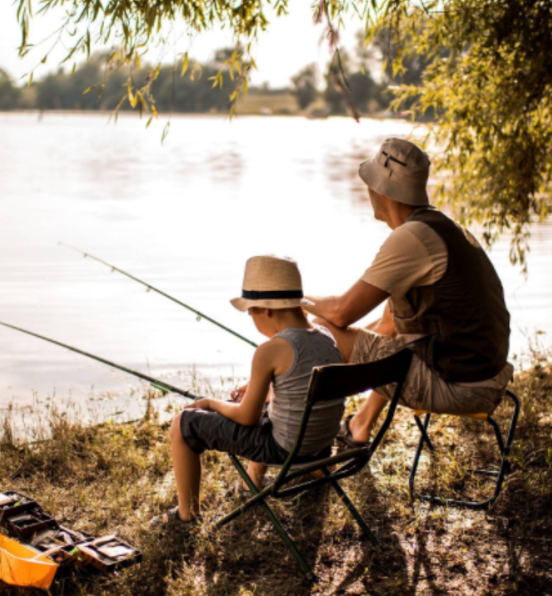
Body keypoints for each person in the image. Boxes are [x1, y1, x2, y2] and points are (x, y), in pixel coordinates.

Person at [303, 138, 513, 447]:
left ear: (380, 191)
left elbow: (341, 312)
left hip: (463, 386)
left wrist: (293, 299)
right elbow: (387, 326)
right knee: (388, 336)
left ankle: (300, 445)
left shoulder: (412, 239)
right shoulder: (443, 227)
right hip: (487, 375)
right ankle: (359, 425)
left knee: (319, 331)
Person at [152, 255, 345, 529]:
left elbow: (246, 418)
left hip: (284, 449)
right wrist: (265, 391)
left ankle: (186, 518)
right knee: (270, 408)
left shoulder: (270, 350)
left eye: (251, 312)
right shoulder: (326, 336)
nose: (252, 319)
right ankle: (250, 485)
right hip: (321, 447)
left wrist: (211, 403)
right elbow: (301, 391)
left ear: (265, 309)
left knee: (183, 424)